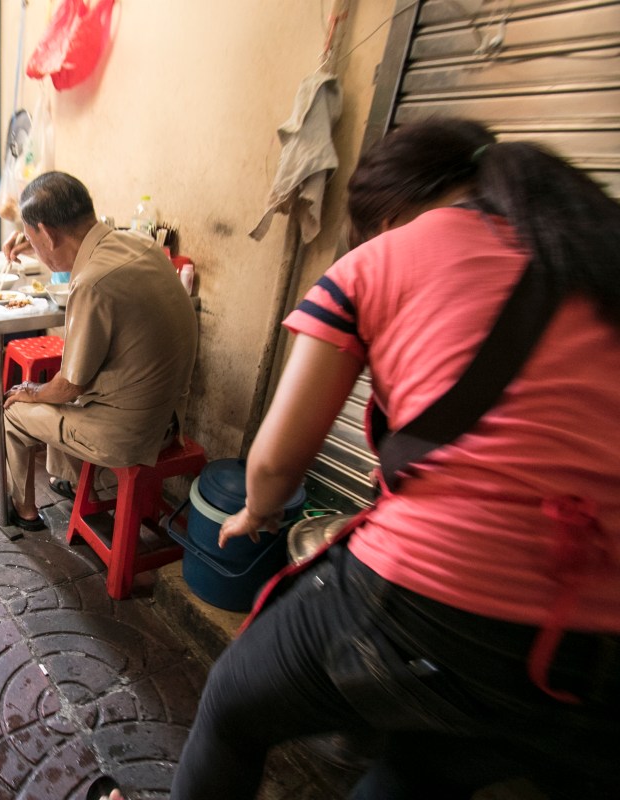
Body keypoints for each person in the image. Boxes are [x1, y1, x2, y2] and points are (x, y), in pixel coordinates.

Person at [160, 118, 620, 799]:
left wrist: (258, 512)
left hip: (433, 588)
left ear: (387, 213)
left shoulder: (381, 259)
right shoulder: (593, 254)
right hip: (593, 646)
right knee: (424, 768)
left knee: (232, 706)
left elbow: (275, 465)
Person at [0, 172, 197, 530]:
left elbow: (69, 386)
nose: (34, 249)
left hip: (129, 436)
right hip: (170, 418)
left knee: (18, 408)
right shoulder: (140, 244)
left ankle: (21, 510)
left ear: (47, 233)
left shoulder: (91, 282)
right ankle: (72, 482)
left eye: (33, 239)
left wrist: (29, 391)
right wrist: (32, 240)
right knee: (64, 387)